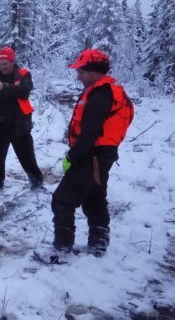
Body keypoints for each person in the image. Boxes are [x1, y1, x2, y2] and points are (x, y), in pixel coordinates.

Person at [51, 49, 134, 256]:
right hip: (100, 155)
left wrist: (72, 156)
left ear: (92, 71)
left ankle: (62, 248)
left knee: (62, 199)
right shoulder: (106, 89)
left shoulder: (100, 94)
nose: (78, 76)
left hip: (92, 156)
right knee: (93, 198)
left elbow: (90, 132)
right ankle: (98, 245)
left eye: (81, 71)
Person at [0, 46, 43, 190]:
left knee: (27, 158)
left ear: (13, 61)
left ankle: (36, 183)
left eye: (6, 63)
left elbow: (25, 92)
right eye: (1, 64)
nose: (3, 66)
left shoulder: (24, 75)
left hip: (19, 127)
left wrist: (4, 86)